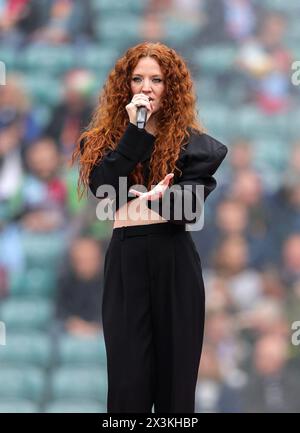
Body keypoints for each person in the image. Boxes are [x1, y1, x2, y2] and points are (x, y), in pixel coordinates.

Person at [72, 41, 228, 413]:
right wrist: (134, 136)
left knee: (176, 394)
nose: (146, 87)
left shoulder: (197, 147)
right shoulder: (101, 143)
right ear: (124, 87)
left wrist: (132, 205)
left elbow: (186, 209)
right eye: (138, 79)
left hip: (175, 268)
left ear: (170, 87)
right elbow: (104, 191)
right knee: (129, 391)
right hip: (126, 269)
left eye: (156, 79)